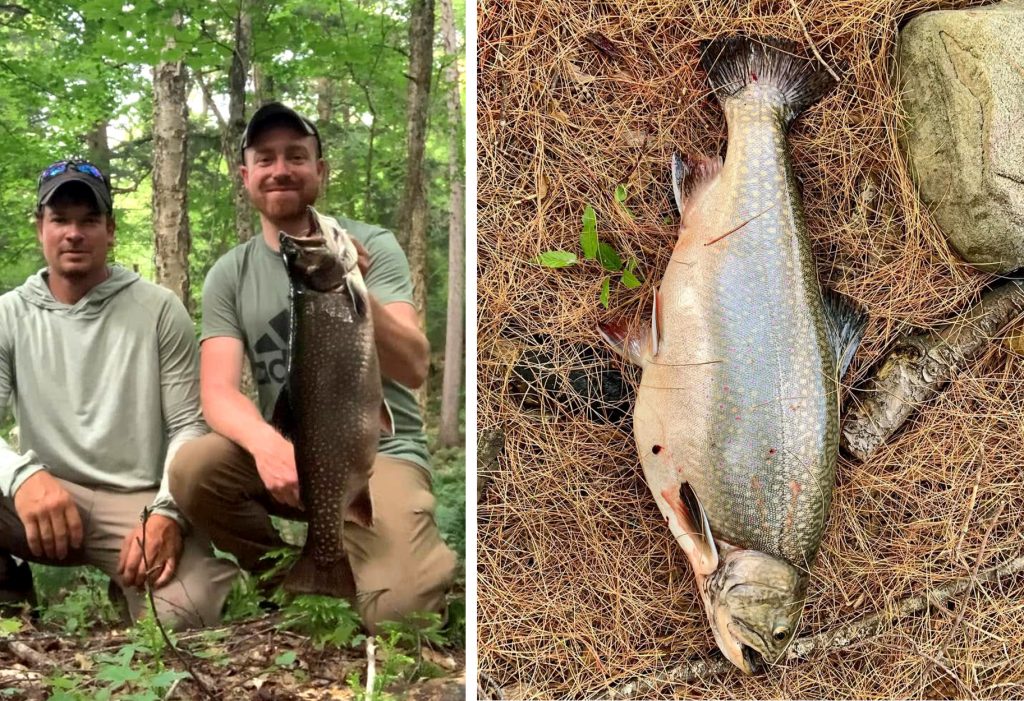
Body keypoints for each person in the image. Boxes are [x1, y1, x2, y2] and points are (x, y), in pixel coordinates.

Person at [169, 103, 456, 632]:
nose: (281, 169)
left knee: (401, 613)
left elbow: (415, 367)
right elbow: (218, 392)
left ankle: (357, 562)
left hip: (378, 454)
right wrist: (266, 445)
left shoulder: (372, 246)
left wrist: (355, 287)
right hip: (290, 453)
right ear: (246, 176)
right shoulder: (229, 274)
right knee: (195, 468)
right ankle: (291, 580)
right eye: (265, 159)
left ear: (320, 170)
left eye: (296, 157)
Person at [0, 160, 238, 629]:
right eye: (60, 219)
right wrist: (23, 476)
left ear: (109, 230)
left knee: (188, 613)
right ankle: (9, 595)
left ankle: (147, 583)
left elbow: (188, 424)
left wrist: (167, 511)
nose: (74, 233)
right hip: (43, 497)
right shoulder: (8, 315)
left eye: (89, 220)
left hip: (137, 499)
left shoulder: (158, 309)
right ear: (40, 228)